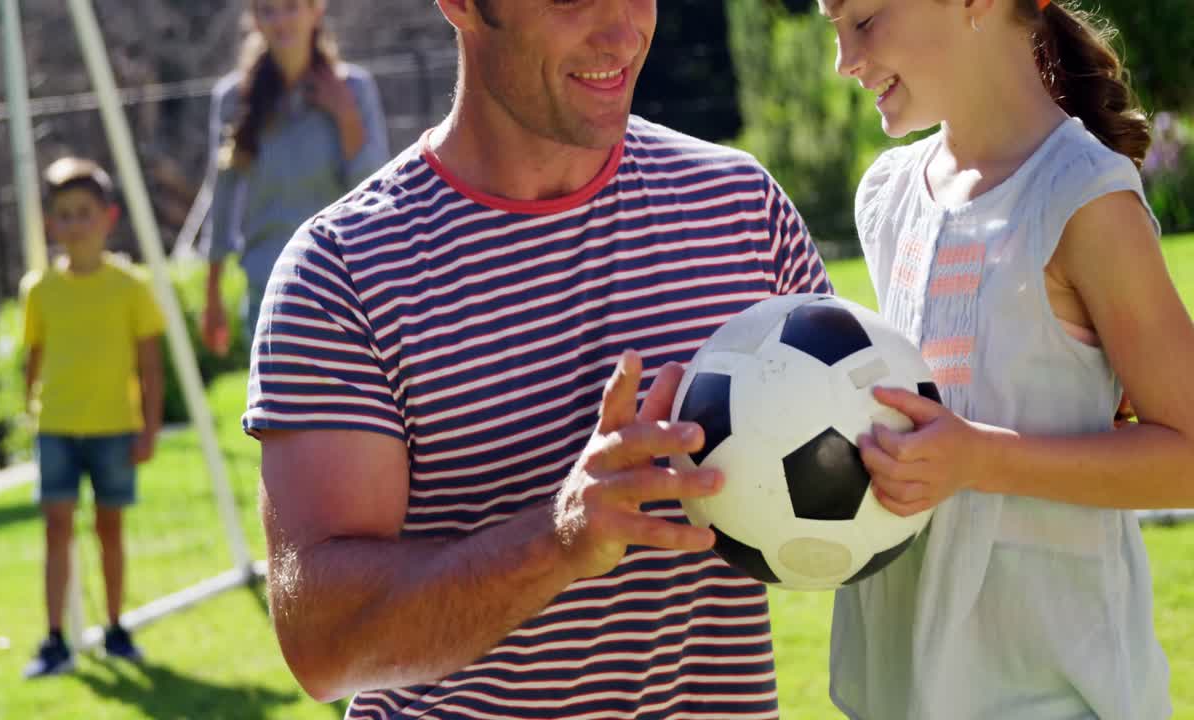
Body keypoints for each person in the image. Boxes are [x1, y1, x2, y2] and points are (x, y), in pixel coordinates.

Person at [247, 0, 832, 717]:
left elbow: (850, 464)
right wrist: (559, 539)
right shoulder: (343, 273)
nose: (622, 33)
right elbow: (324, 646)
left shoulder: (740, 207)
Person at [821, 0, 1194, 717]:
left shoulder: (1081, 196)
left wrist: (979, 459)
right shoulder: (888, 196)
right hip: (904, 695)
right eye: (832, 28)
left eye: (863, 21)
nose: (845, 61)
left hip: (1054, 696)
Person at [19, 157, 165, 678]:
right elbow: (32, 359)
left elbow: (151, 365)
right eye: (64, 214)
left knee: (109, 529)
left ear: (108, 217)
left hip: (113, 431)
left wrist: (148, 429)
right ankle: (54, 639)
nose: (75, 224)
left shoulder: (131, 286)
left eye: (85, 212)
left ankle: (117, 628)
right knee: (57, 529)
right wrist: (27, 412)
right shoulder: (38, 290)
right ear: (50, 224)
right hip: (56, 428)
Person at [200, 0, 391, 355]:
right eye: (268, 10)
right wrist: (212, 297)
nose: (281, 21)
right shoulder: (233, 99)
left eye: (291, 7)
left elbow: (375, 196)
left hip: (345, 292)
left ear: (315, 10)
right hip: (269, 293)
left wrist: (346, 116)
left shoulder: (355, 89)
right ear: (255, 19)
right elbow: (221, 200)